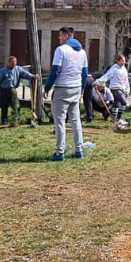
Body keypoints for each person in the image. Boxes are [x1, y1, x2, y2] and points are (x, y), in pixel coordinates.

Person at [44, 27, 91, 161]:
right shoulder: (82, 52)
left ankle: (60, 151)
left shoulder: (61, 50)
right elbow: (84, 73)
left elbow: (55, 71)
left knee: (59, 120)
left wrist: (47, 88)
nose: (59, 38)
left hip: (62, 88)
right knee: (75, 120)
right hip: (76, 87)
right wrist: (82, 88)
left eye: (60, 36)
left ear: (66, 35)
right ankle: (79, 149)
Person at [0, 56, 35, 126]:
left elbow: (25, 74)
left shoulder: (18, 69)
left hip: (13, 90)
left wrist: (33, 76)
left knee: (16, 105)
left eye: (15, 63)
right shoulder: (2, 71)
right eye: (12, 63)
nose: (14, 64)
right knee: (4, 107)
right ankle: (4, 121)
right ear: (8, 63)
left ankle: (17, 119)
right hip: (4, 91)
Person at [102, 53, 131, 125]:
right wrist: (97, 82)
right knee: (124, 102)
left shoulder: (124, 69)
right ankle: (118, 118)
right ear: (117, 61)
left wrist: (127, 90)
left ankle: (114, 121)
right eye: (122, 61)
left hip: (122, 89)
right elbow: (106, 76)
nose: (123, 62)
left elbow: (126, 81)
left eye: (124, 61)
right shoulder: (114, 69)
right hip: (115, 89)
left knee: (116, 105)